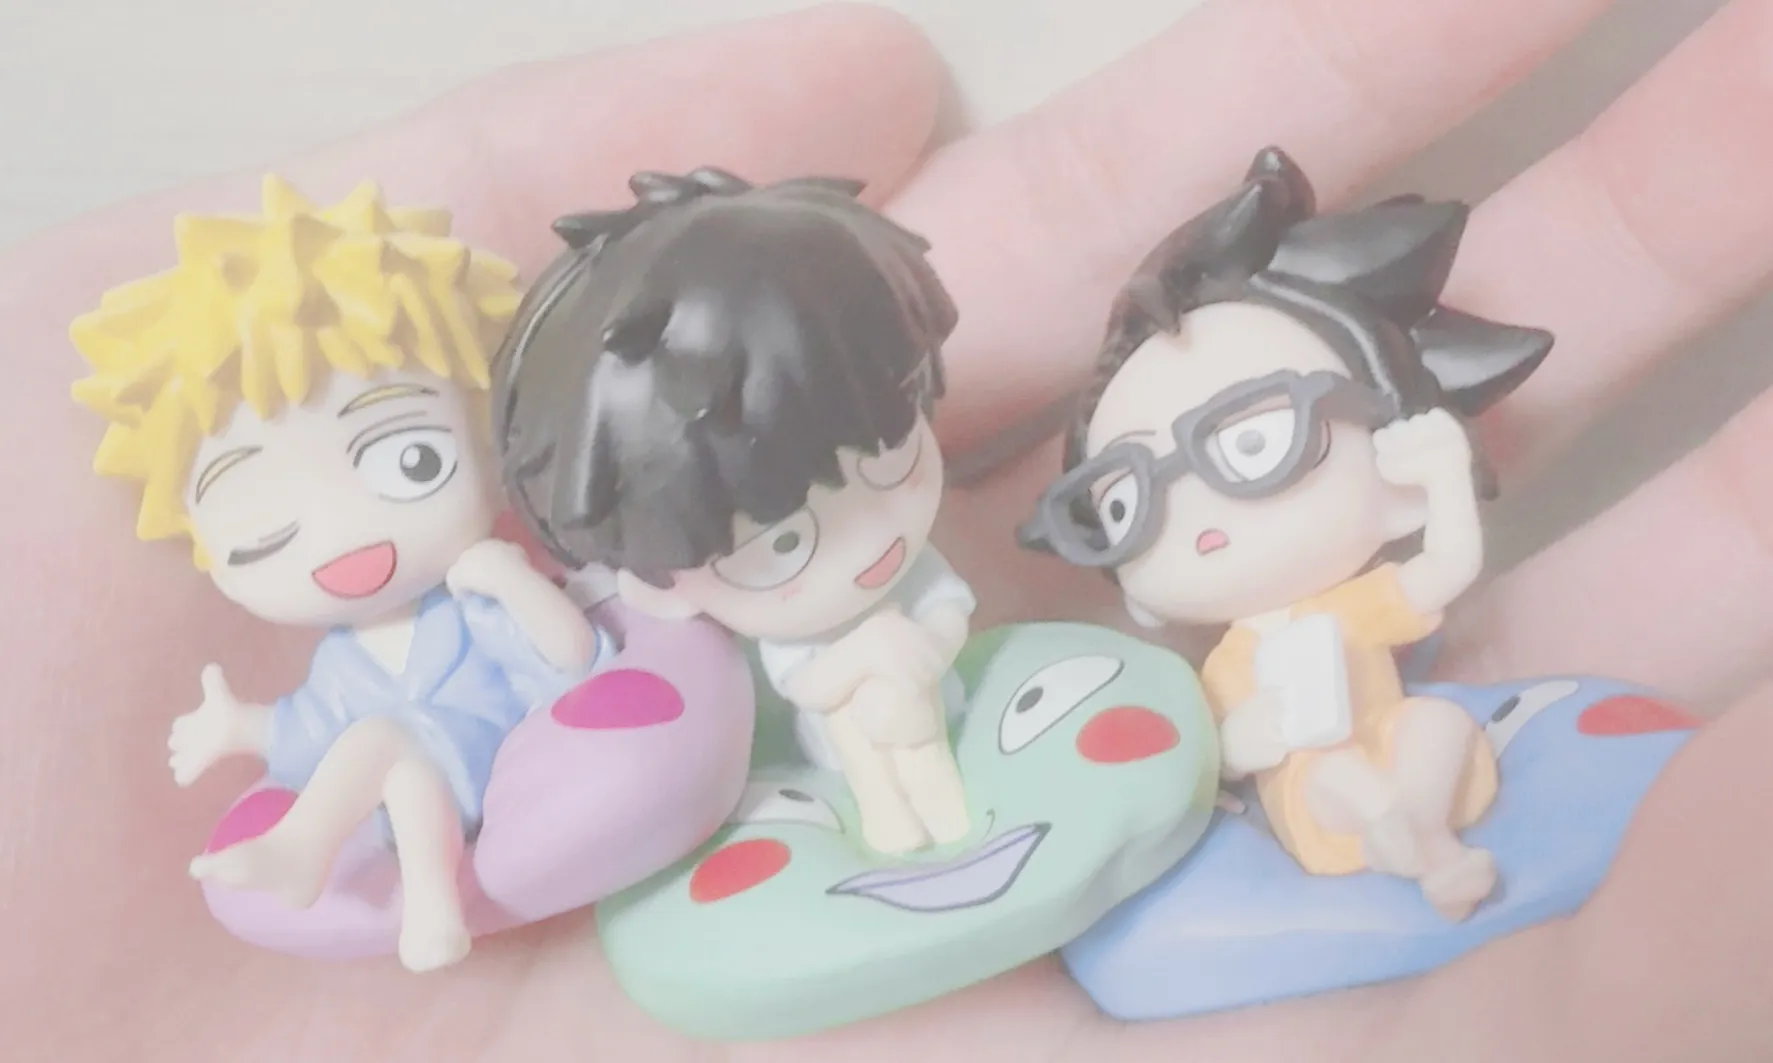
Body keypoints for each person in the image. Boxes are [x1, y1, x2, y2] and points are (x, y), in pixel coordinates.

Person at [6, 4, 1771, 1059]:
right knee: (888, 769)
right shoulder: (641, 624)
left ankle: (1411, 835)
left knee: (1018, 756)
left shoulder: (1052, 605)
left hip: (1076, 728)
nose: (847, 536)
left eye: (878, 454)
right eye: (769, 541)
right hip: (823, 747)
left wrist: (1415, 495)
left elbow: (1229, 672)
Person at [69, 176, 610, 971]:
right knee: (390, 752)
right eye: (263, 521)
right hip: (405, 793)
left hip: (493, 764)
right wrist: (238, 729)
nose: (342, 533)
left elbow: (571, 657)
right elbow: (308, 729)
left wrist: (511, 580)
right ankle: (429, 905)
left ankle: (308, 851)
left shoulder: (467, 599)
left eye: (411, 458)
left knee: (383, 739)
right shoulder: (344, 660)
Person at [1019, 147, 1552, 919]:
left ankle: (1418, 827)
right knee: (1330, 770)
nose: (1198, 510)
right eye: (1127, 499)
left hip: (1405, 752)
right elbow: (1209, 747)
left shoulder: (1352, 608)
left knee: (1435, 722)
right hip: (1318, 804)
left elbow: (1443, 566)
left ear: (1393, 486)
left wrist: (1443, 475)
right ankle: (1415, 841)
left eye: (1251, 444)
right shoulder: (1229, 660)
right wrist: (1242, 739)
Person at [493, 168, 974, 855]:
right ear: (663, 588)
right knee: (859, 725)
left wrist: (923, 653)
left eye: (893, 456)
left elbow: (948, 609)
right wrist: (877, 655)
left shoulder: (915, 571)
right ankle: (889, 816)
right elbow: (808, 684)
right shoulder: (787, 640)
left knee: (902, 719)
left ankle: (947, 810)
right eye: (783, 544)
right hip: (838, 743)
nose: (871, 539)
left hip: (944, 703)